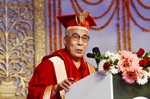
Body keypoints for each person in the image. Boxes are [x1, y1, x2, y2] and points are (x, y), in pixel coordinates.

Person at [27, 11, 97, 99]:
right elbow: (33, 95)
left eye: (84, 38)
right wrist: (56, 89)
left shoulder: (92, 71)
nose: (80, 43)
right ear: (65, 41)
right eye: (75, 37)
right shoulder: (48, 66)